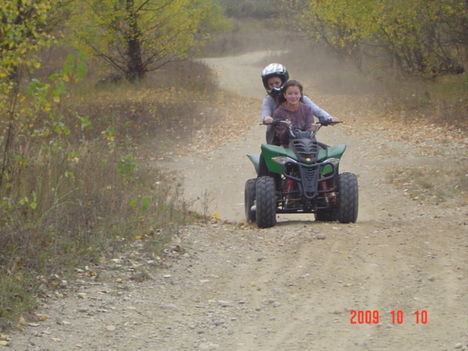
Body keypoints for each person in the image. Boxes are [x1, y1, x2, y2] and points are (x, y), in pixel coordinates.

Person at [260, 63, 339, 143]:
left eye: (277, 83)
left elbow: (317, 110)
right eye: (271, 84)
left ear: (283, 81)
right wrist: (267, 118)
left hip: (304, 137)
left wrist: (329, 118)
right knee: (266, 153)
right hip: (279, 137)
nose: (274, 86)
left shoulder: (302, 98)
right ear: (266, 85)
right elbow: (265, 113)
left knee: (321, 151)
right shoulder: (269, 99)